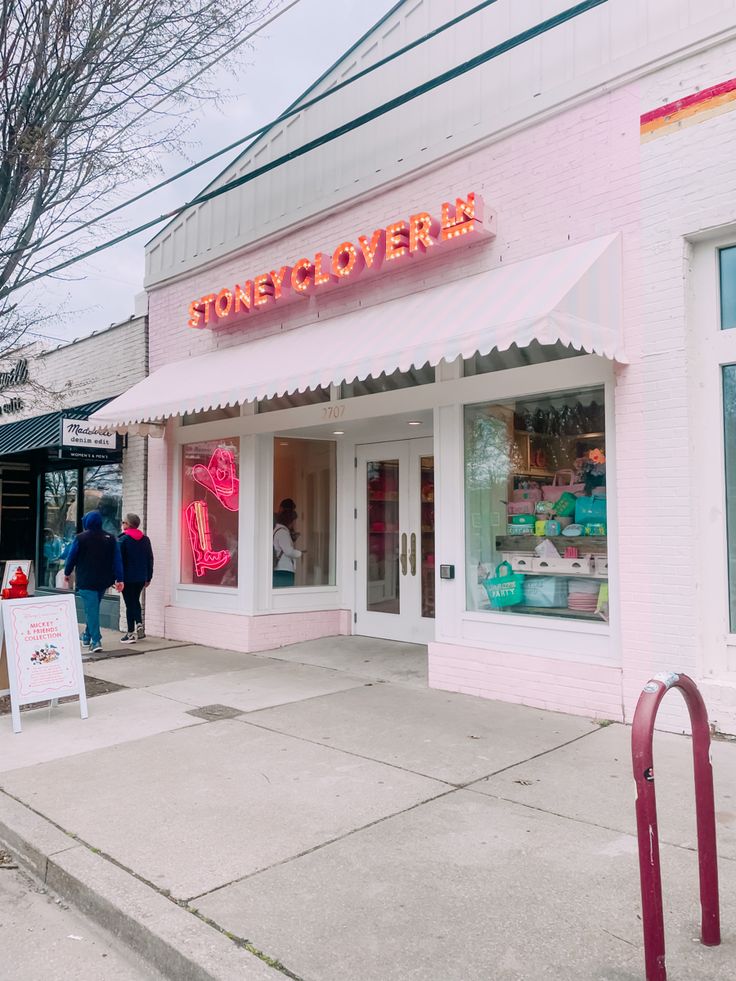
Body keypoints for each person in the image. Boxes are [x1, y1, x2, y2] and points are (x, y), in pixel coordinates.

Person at [63, 511, 123, 653]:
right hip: (104, 580)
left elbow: (71, 557)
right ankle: (86, 636)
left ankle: (96, 641)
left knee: (92, 610)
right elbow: (117, 560)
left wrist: (67, 573)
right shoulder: (110, 538)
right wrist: (120, 578)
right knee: (93, 609)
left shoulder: (80, 538)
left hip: (86, 579)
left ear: (87, 523)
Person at [117, 513, 154, 644]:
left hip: (127, 578)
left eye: (123, 522)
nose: (122, 524)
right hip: (141, 577)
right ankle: (139, 623)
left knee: (129, 604)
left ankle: (130, 632)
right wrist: (148, 577)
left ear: (127, 525)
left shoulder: (123, 540)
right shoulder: (145, 539)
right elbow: (150, 559)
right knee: (135, 600)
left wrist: (117, 578)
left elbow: (119, 561)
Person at [272, 507, 304, 588]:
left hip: (279, 569)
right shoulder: (282, 532)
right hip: (284, 570)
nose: (295, 523)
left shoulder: (276, 530)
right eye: (294, 520)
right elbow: (288, 551)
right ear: (290, 520)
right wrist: (300, 553)